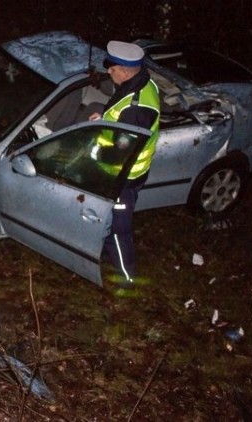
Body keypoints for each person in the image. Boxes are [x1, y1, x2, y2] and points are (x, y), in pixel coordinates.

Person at [88, 40, 160, 289]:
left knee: (118, 229)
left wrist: (92, 153)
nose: (109, 71)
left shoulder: (136, 109)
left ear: (127, 71)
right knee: (111, 222)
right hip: (126, 174)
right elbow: (119, 114)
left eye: (113, 68)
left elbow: (121, 153)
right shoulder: (141, 84)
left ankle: (126, 279)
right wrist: (104, 120)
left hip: (122, 177)